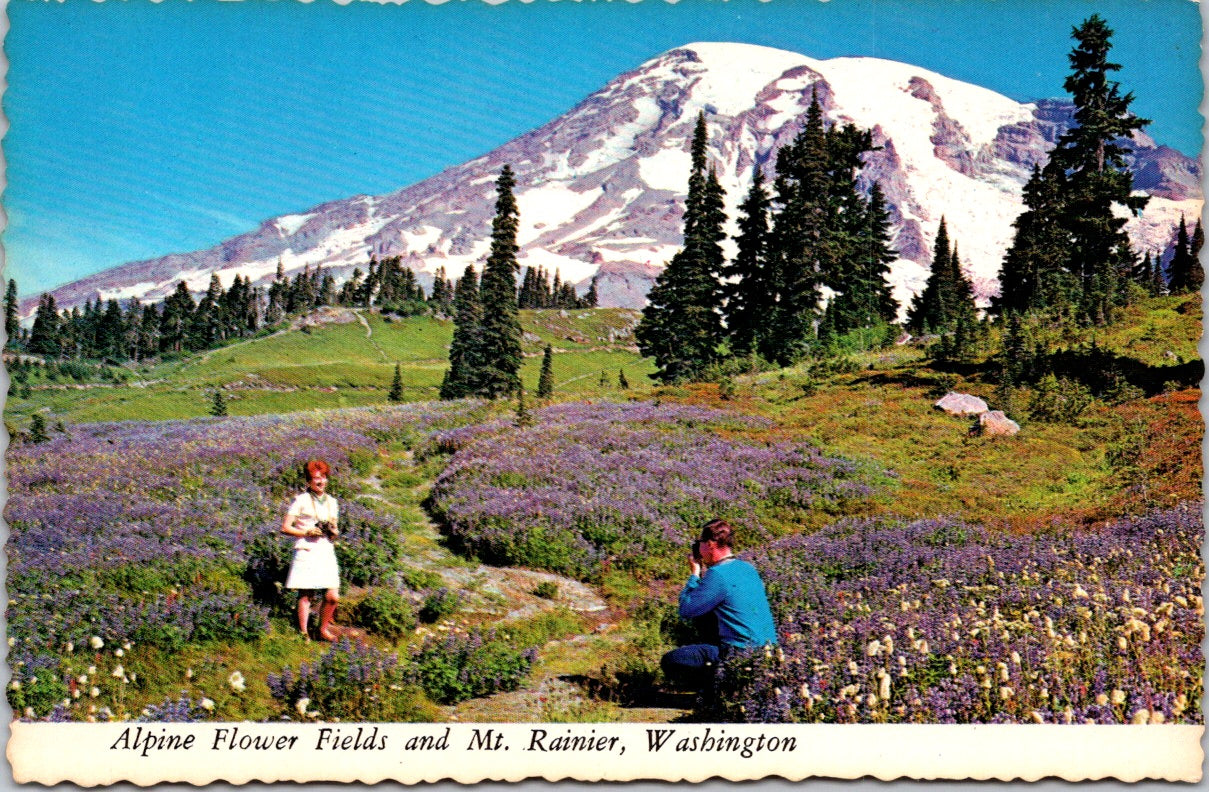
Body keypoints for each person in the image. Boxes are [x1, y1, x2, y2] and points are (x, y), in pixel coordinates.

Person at [661, 519, 778, 689]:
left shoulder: (718, 574)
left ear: (710, 544)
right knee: (706, 619)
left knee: (672, 660)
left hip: (739, 653)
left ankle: (713, 692)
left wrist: (695, 574)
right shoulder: (747, 568)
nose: (698, 548)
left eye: (699, 543)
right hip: (768, 651)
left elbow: (686, 610)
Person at [281, 459, 342, 640]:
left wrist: (333, 531)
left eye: (323, 477)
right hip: (306, 549)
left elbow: (335, 530)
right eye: (316, 479)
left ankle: (322, 629)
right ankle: (304, 633)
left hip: (325, 550)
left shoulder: (332, 502)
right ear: (308, 481)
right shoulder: (300, 500)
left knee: (332, 596)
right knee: (306, 594)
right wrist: (305, 531)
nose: (320, 482)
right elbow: (285, 527)